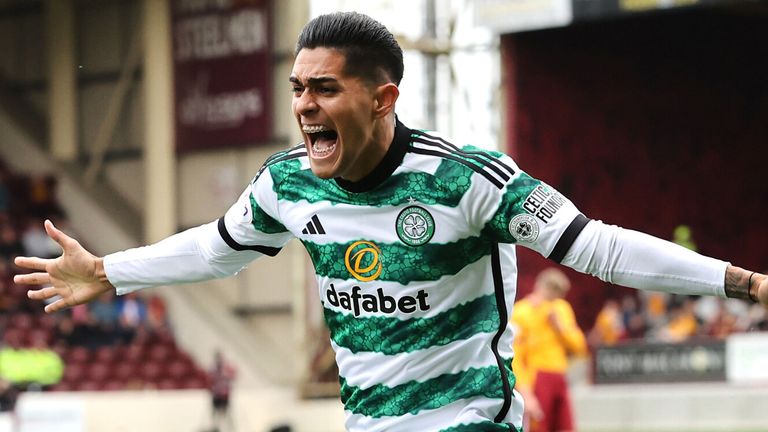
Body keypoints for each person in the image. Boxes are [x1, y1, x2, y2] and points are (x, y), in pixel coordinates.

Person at [11, 11, 767, 432]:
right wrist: (110, 271)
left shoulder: (466, 180)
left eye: (325, 88)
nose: (304, 105)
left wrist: (739, 282)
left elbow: (598, 247)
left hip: (469, 422)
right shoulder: (288, 184)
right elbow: (219, 249)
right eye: (297, 88)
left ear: (382, 99)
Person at [511, 268, 587, 432]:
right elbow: (515, 356)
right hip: (536, 377)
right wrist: (526, 394)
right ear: (540, 287)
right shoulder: (521, 311)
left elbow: (580, 347)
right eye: (550, 296)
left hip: (560, 374)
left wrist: (560, 328)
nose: (553, 301)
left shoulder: (561, 308)